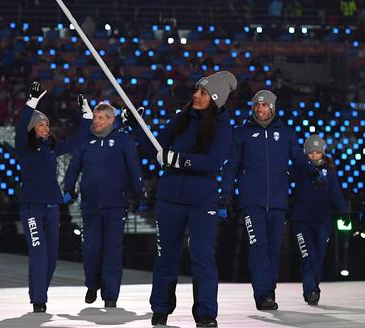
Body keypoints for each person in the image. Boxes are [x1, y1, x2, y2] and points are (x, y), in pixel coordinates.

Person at [134, 71, 237, 328]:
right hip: (169, 198)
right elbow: (155, 150)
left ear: (215, 99)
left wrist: (179, 159)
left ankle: (205, 314)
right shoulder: (181, 118)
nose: (195, 95)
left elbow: (213, 162)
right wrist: (136, 125)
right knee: (165, 257)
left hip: (202, 201)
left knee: (202, 257)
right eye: (197, 90)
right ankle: (160, 310)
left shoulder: (224, 127)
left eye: (202, 93)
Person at [221, 90, 315, 311]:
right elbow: (231, 166)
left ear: (272, 108)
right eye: (256, 105)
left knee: (273, 250)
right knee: (258, 248)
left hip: (278, 203)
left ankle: (269, 292)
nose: (259, 109)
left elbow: (299, 159)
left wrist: (312, 172)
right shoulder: (241, 133)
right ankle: (263, 294)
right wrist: (225, 195)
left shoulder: (287, 134)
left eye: (264, 105)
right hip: (251, 202)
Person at [16, 81, 93, 313]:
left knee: (50, 257)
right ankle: (39, 300)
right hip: (31, 207)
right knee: (38, 253)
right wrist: (33, 101)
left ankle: (39, 293)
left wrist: (86, 113)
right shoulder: (24, 147)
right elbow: (21, 126)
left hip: (51, 207)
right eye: (41, 125)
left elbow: (78, 139)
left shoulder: (52, 148)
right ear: (32, 129)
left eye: (47, 125)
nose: (46, 128)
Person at [63, 102, 147, 308]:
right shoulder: (85, 141)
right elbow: (74, 167)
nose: (96, 121)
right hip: (90, 206)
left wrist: (139, 195)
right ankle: (92, 284)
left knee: (112, 250)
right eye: (95, 118)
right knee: (91, 248)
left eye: (100, 118)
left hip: (116, 205)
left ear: (111, 119)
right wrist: (68, 188)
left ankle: (111, 295)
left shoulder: (123, 140)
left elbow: (134, 168)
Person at [291, 134, 350, 305]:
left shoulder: (329, 171)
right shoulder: (300, 168)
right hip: (302, 220)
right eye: (310, 153)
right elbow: (290, 174)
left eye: (318, 152)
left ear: (323, 153)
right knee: (308, 256)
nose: (314, 155)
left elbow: (335, 193)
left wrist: (344, 212)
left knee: (318, 258)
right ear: (305, 153)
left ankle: (314, 289)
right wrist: (302, 161)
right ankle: (310, 291)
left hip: (323, 221)